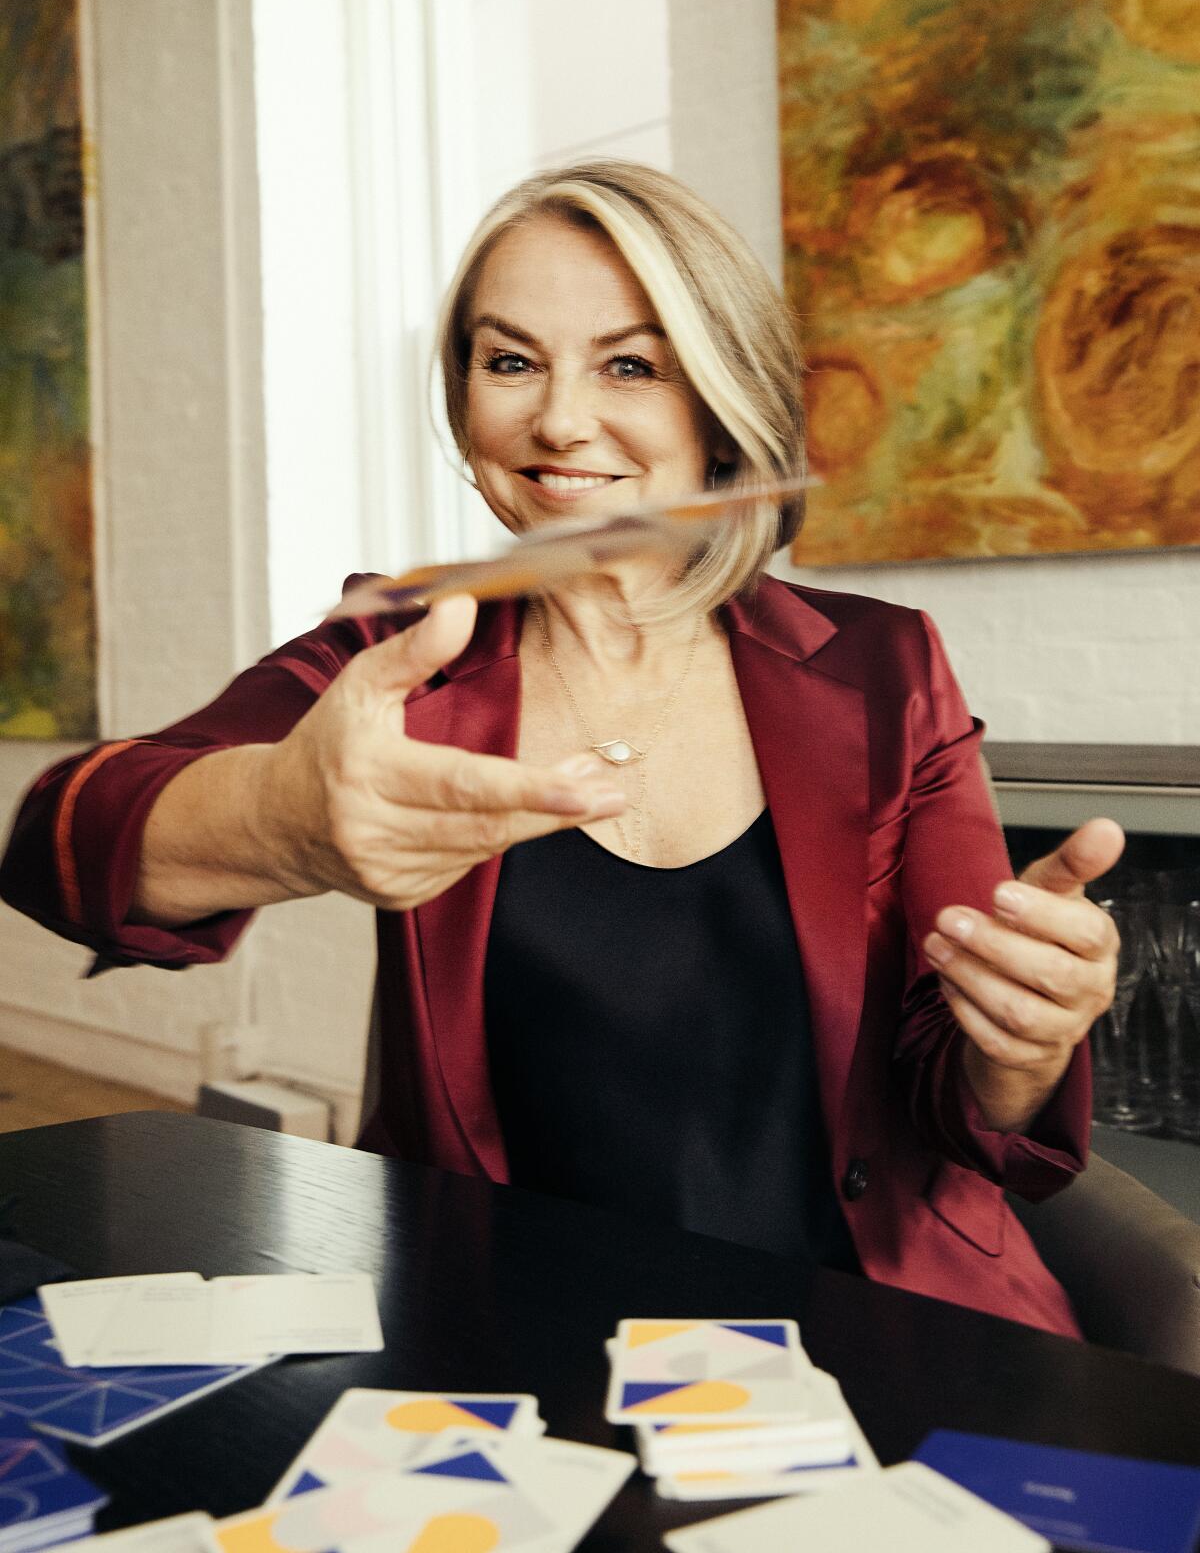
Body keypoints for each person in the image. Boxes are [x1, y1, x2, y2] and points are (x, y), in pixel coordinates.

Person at [0, 161, 1120, 1337]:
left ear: (721, 400)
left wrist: (1020, 1043)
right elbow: (59, 842)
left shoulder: (882, 669)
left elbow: (971, 1107)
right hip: (518, 1338)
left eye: (630, 363)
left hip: (885, 1324)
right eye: (511, 360)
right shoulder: (400, 652)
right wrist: (279, 815)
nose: (559, 420)